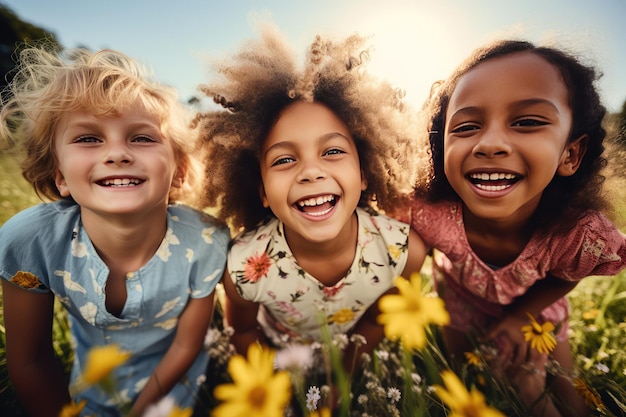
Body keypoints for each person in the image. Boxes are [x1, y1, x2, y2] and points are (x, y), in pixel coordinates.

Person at [0, 45, 230, 417]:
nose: (117, 153)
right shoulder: (30, 241)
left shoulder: (205, 241)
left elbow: (187, 346)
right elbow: (30, 359)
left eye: (142, 137)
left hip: (181, 399)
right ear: (60, 176)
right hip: (88, 398)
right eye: (88, 139)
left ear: (179, 171)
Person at [409, 39, 626, 417]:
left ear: (570, 154)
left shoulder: (575, 232)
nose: (490, 143)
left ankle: (533, 388)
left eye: (527, 122)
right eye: (467, 126)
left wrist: (521, 315)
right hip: (461, 305)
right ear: (439, 145)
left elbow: (567, 274)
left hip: (537, 312)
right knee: (466, 386)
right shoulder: (432, 215)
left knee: (568, 394)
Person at [194, 27, 427, 374]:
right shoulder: (244, 268)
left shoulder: (402, 252)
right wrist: (278, 391)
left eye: (332, 151)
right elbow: (243, 331)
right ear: (261, 191)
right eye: (284, 159)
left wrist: (342, 382)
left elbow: (378, 322)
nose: (310, 172)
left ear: (364, 173)